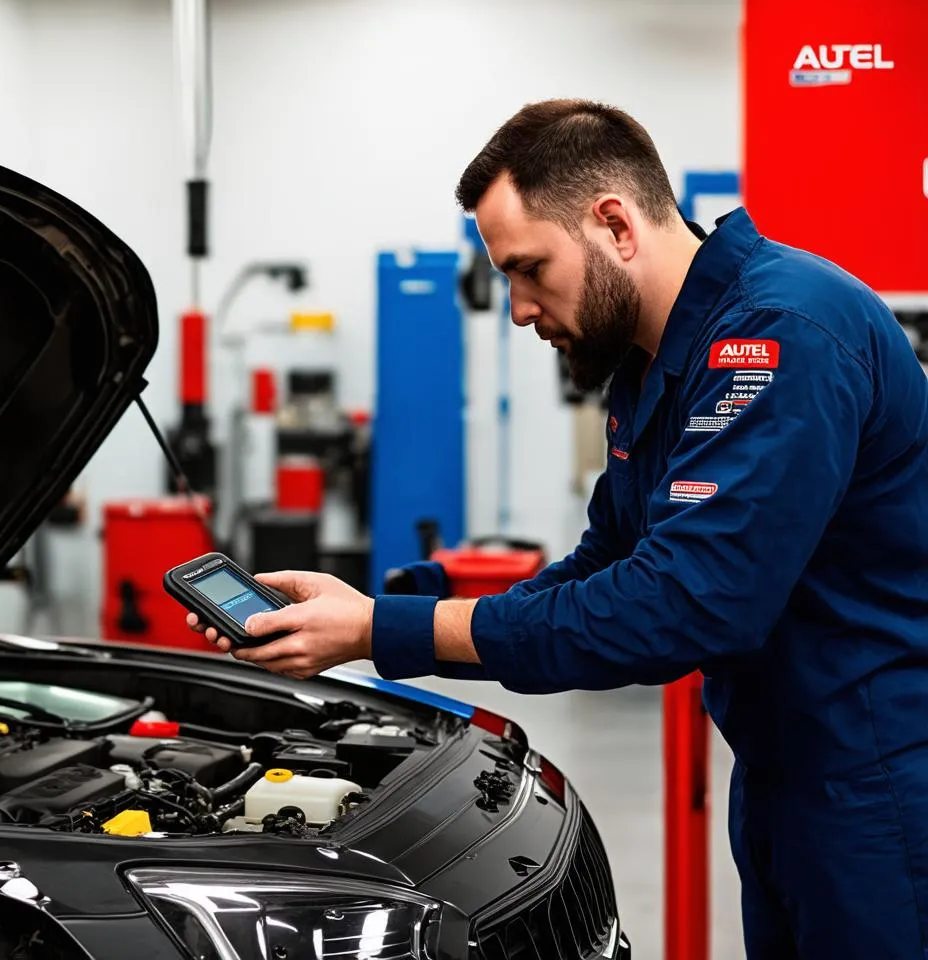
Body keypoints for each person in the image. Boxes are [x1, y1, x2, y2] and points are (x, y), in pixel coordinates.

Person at [187, 99, 928, 959]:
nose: (518, 308)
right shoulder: (649, 366)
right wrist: (375, 616)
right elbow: (608, 561)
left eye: (530, 269)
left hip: (882, 785)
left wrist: (385, 631)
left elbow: (686, 605)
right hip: (786, 779)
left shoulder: (780, 333)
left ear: (613, 222)